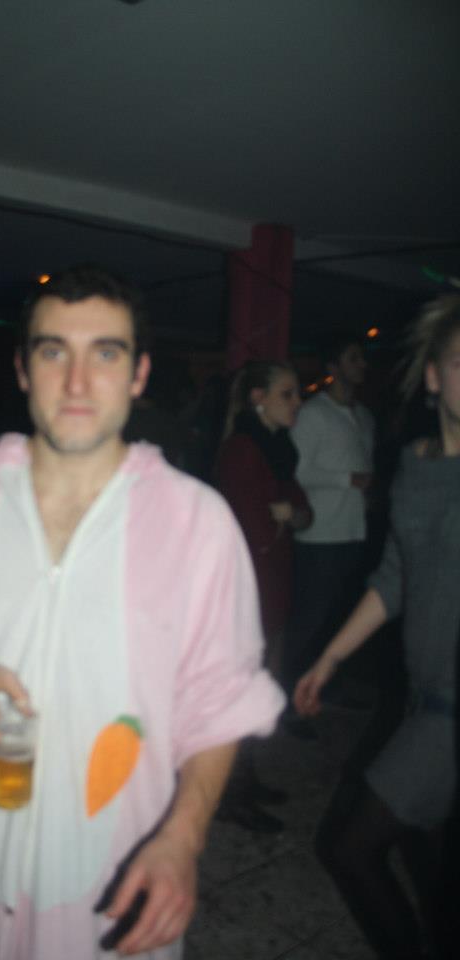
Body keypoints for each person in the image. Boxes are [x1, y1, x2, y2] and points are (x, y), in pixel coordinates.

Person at [0, 265, 284, 960]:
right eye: (54, 351)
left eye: (105, 353)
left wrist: (182, 840)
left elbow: (221, 697)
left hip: (119, 879)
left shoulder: (195, 522)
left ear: (139, 374)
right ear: (23, 370)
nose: (77, 382)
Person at [294, 294, 460, 960]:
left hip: (450, 718)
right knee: (433, 872)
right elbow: (394, 577)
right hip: (423, 701)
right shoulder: (416, 465)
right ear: (433, 376)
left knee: (349, 849)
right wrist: (329, 658)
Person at [215, 361, 311, 833]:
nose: (298, 402)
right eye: (287, 393)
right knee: (242, 692)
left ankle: (245, 780)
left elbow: (305, 513)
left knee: (260, 688)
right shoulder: (241, 450)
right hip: (247, 588)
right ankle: (229, 794)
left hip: (272, 581)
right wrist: (285, 516)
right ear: (258, 397)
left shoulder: (278, 449)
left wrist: (290, 513)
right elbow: (249, 529)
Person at [285, 334, 375, 704]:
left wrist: (366, 493)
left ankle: (327, 688)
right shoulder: (312, 414)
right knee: (311, 620)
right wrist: (347, 480)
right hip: (320, 534)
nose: (363, 365)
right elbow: (298, 472)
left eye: (362, 358)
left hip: (354, 530)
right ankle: (290, 694)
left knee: (341, 619)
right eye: (354, 358)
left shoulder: (365, 416)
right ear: (333, 367)